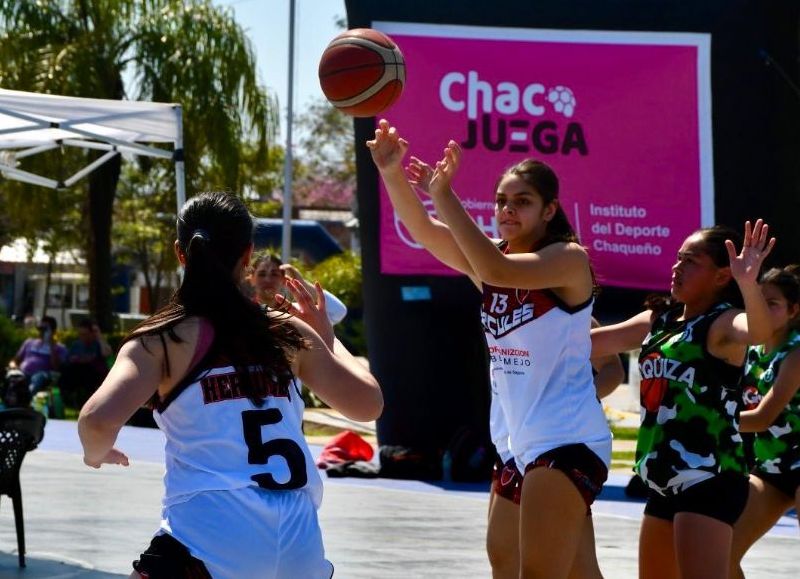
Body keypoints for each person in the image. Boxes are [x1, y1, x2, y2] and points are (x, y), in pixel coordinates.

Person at [78, 191, 382, 579]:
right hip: (297, 539)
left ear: (180, 252)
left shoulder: (164, 339)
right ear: (248, 255)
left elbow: (96, 421)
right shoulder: (286, 331)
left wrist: (95, 453)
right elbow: (368, 404)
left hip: (208, 535)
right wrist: (328, 337)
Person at [368, 119, 612, 578]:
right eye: (502, 200)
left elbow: (496, 268)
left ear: (549, 210)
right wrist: (391, 171)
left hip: (566, 437)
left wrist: (444, 192)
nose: (507, 210)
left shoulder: (568, 259)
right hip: (514, 441)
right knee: (521, 566)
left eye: (523, 202)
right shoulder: (492, 259)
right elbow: (423, 229)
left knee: (536, 573)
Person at [591, 220, 775, 579]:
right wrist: (566, 300)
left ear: (722, 277)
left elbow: (759, 332)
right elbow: (590, 344)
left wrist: (748, 284)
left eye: (690, 261)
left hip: (709, 475)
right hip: (663, 476)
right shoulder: (659, 319)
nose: (677, 267)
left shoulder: (722, 324)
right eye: (678, 258)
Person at [487, 319, 625, 578]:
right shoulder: (500, 301)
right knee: (504, 554)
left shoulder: (565, 310)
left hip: (551, 444)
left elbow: (612, 369)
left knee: (523, 558)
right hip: (510, 446)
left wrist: (576, 400)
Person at [730, 266, 800, 577]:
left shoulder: (796, 354)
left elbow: (762, 418)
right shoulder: (750, 349)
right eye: (758, 300)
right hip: (772, 467)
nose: (761, 308)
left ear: (794, 311)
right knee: (723, 553)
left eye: (772, 303)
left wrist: (714, 420)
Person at [248, 252, 348, 325]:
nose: (268, 279)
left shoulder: (297, 313)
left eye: (274, 274)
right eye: (262, 274)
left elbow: (338, 311)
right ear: (251, 279)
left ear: (283, 279)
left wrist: (301, 282)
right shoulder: (242, 311)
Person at [60, 318, 112, 407]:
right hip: (76, 373)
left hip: (93, 375)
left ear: (92, 333)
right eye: (80, 334)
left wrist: (99, 336)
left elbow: (106, 353)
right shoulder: (77, 344)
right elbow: (68, 359)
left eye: (85, 334)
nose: (82, 337)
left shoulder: (98, 344)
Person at [10, 315, 67, 394]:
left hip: (42, 374)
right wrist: (13, 366)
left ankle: (28, 397)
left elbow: (56, 367)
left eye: (45, 329)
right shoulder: (29, 342)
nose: (41, 332)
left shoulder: (59, 348)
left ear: (53, 331)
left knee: (37, 378)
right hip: (23, 372)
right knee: (12, 377)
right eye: (40, 329)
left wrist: (51, 345)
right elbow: (15, 360)